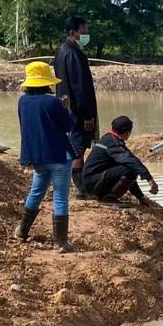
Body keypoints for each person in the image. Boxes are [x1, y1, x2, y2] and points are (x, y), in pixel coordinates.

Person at [14, 61, 77, 252]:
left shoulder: (22, 102)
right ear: (46, 82)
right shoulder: (53, 102)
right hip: (59, 156)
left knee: (36, 192)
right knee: (60, 197)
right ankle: (60, 242)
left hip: (38, 156)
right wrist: (67, 109)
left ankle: (22, 231)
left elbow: (28, 129)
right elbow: (68, 126)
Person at [53, 15, 98, 196]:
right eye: (84, 31)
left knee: (73, 147)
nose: (86, 35)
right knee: (78, 149)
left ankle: (79, 185)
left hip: (66, 107)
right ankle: (81, 189)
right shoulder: (74, 54)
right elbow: (80, 88)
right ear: (73, 32)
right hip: (78, 112)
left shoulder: (61, 51)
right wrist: (87, 115)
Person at [80, 116, 160, 206]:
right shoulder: (114, 143)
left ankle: (108, 196)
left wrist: (140, 196)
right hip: (92, 183)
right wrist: (149, 179)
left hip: (91, 181)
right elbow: (131, 163)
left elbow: (127, 170)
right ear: (127, 132)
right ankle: (109, 198)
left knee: (130, 167)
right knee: (131, 167)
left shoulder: (109, 138)